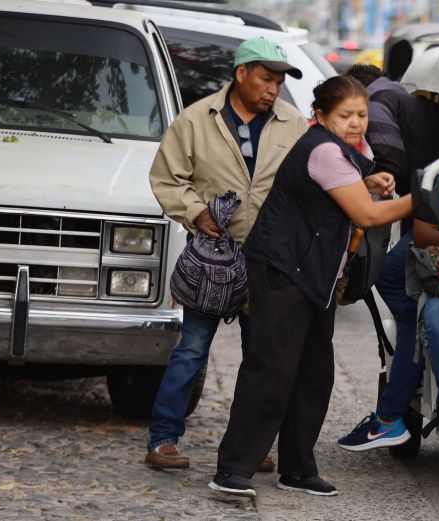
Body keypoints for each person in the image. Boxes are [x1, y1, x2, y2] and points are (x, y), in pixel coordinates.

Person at [208, 75, 411, 498]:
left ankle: (297, 469)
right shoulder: (323, 149)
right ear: (320, 115)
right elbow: (368, 216)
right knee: (271, 371)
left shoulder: (341, 151)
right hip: (284, 272)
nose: (356, 123)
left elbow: (335, 190)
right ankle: (233, 470)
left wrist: (368, 181)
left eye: (361, 115)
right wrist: (423, 199)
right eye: (345, 115)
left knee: (314, 375)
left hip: (314, 277)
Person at [145, 36, 308, 471]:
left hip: (268, 261)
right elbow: (167, 177)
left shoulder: (294, 124)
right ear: (241, 73)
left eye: (279, 82)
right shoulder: (196, 119)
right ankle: (163, 439)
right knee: (191, 349)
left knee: (261, 358)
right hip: (211, 259)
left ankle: (249, 447)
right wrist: (196, 212)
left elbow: (312, 181)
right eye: (266, 79)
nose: (273, 89)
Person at [335, 64, 439, 454]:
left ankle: (404, 408)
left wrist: (369, 181)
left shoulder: (378, 102)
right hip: (438, 209)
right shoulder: (401, 99)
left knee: (401, 292)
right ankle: (399, 407)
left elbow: (391, 160)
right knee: (413, 303)